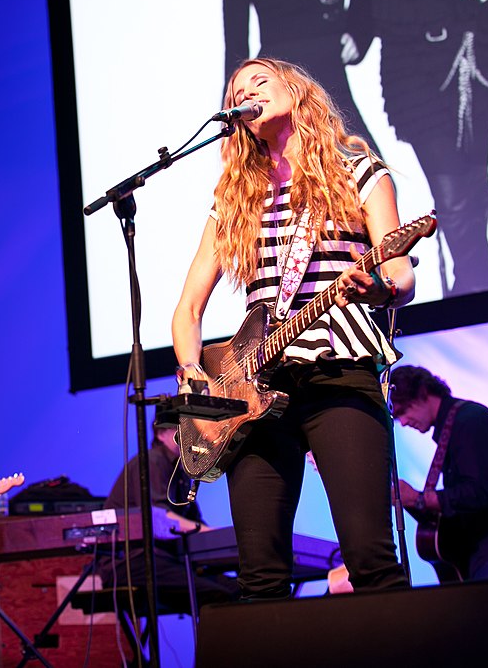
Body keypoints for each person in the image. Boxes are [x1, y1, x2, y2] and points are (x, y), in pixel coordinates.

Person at [172, 57, 415, 600]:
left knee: (370, 558)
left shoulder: (359, 172)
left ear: (296, 90)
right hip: (253, 393)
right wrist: (195, 380)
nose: (247, 90)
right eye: (237, 89)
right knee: (259, 577)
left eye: (260, 80)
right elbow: (188, 308)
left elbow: (398, 267)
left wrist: (378, 288)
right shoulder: (235, 201)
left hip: (338, 372)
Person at [357, 0, 488, 296]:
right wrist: (356, 30)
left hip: (468, 36)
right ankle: (477, 285)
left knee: (473, 180)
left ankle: (476, 285)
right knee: (453, 189)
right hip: (411, 58)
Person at [390, 364, 488, 599]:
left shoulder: (470, 422)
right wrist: (411, 501)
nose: (402, 421)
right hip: (487, 553)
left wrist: (419, 497)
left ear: (423, 392)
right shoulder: (457, 424)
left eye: (404, 410)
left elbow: (476, 494)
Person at [222, 0, 382, 157]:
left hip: (327, 58)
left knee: (365, 164)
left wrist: (360, 28)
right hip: (279, 66)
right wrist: (231, 113)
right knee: (267, 168)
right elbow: (235, 35)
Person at [99, 418, 241, 604]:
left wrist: (223, 540)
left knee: (237, 590)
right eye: (180, 430)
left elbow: (194, 522)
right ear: (160, 434)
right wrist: (217, 535)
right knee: (217, 596)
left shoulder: (181, 472)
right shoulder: (153, 461)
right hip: (133, 562)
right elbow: (160, 518)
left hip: (167, 560)